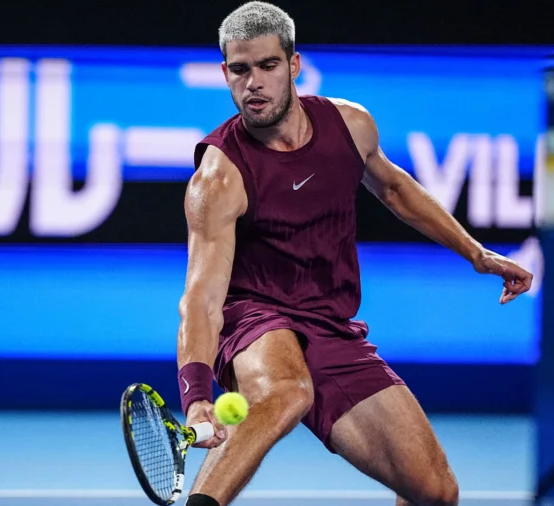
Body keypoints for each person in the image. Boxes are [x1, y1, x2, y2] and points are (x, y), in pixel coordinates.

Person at [175, 2, 534, 505]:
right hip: (252, 316)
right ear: (225, 74)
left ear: (294, 65)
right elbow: (201, 300)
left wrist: (475, 253)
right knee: (287, 392)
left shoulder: (350, 126)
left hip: (330, 323)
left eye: (267, 66)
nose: (253, 83)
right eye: (240, 70)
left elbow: (394, 189)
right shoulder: (218, 177)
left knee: (435, 491)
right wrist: (196, 399)